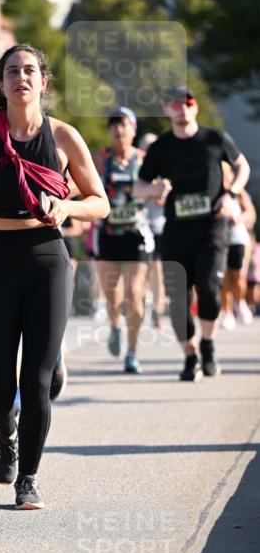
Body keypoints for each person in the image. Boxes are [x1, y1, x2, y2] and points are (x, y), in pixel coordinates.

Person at [0, 44, 108, 509]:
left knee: (35, 382)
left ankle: (29, 479)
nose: (21, 78)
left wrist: (68, 207)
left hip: (47, 258)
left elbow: (100, 202)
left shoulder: (64, 137)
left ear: (43, 81)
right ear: (1, 83)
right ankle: (4, 431)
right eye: (12, 71)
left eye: (30, 70)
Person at [136, 85, 250, 380]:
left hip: (212, 228)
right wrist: (153, 189)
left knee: (209, 288)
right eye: (175, 105)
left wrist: (231, 195)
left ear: (195, 107)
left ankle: (208, 344)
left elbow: (242, 166)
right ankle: (190, 355)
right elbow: (139, 186)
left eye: (187, 103)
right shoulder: (161, 147)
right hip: (176, 231)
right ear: (166, 110)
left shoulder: (215, 139)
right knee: (178, 300)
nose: (182, 109)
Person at [93, 107, 154, 374]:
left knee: (134, 293)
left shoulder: (143, 159)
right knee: (112, 296)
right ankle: (115, 325)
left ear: (133, 129)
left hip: (136, 233)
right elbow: (82, 183)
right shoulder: (100, 158)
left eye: (124, 125)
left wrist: (158, 192)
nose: (118, 130)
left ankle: (132, 352)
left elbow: (156, 189)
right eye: (114, 125)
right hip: (107, 234)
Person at [219, 164, 256, 329]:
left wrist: (238, 219)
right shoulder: (213, 191)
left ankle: (240, 302)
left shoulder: (238, 192)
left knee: (238, 275)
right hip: (219, 240)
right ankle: (226, 312)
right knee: (224, 278)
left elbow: (251, 214)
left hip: (237, 238)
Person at [138, 132, 167, 329]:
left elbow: (163, 198)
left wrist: (152, 191)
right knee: (140, 272)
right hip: (140, 228)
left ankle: (157, 312)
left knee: (157, 272)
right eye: (146, 148)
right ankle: (139, 309)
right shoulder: (137, 169)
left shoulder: (162, 170)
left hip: (157, 228)